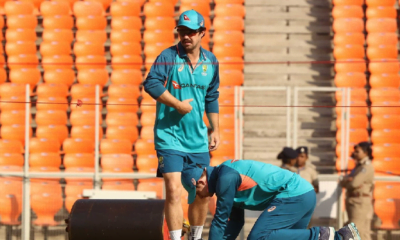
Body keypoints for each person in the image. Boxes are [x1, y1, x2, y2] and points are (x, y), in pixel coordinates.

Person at [143, 9, 220, 240]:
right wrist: (177, 104)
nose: (186, 36)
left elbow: (212, 96)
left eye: (191, 32)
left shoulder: (212, 61)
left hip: (197, 140)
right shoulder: (168, 56)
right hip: (169, 137)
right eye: (182, 31)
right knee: (174, 190)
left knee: (202, 192)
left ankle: (195, 237)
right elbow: (151, 84)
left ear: (202, 33)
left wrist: (215, 128)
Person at [181, 159, 361, 240]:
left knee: (259, 237)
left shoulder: (225, 179)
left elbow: (220, 221)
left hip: (294, 195)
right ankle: (341, 237)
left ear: (201, 180)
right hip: (303, 195)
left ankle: (329, 235)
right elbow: (235, 221)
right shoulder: (226, 178)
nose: (200, 196)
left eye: (196, 191)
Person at [340, 142, 374, 240]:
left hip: (360, 203)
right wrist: (348, 180)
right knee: (361, 232)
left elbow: (354, 183)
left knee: (355, 230)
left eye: (357, 151)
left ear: (365, 152)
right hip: (354, 201)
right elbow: (343, 182)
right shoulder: (358, 167)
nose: (355, 153)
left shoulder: (366, 167)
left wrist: (348, 181)